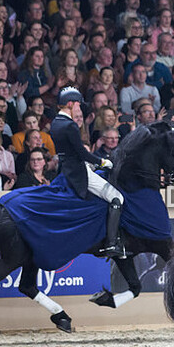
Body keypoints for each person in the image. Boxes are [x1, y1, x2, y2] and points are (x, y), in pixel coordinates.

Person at [51, 87, 125, 259]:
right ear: (70, 104)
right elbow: (81, 153)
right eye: (77, 104)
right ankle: (111, 243)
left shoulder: (56, 122)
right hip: (79, 170)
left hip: (65, 169)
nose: (79, 108)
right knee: (117, 198)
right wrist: (102, 162)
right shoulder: (69, 125)